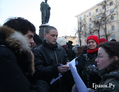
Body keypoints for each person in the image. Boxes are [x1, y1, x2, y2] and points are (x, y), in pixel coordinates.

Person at [0, 17, 50, 92]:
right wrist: (43, 85)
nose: (32, 41)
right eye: (30, 37)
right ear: (17, 35)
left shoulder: (14, 54)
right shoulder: (4, 56)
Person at [32, 26, 74, 92]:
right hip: (48, 88)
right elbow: (38, 70)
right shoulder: (38, 51)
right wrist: (56, 69)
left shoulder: (61, 49)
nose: (55, 38)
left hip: (62, 87)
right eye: (52, 35)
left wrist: (67, 63)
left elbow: (66, 59)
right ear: (45, 35)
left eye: (56, 36)